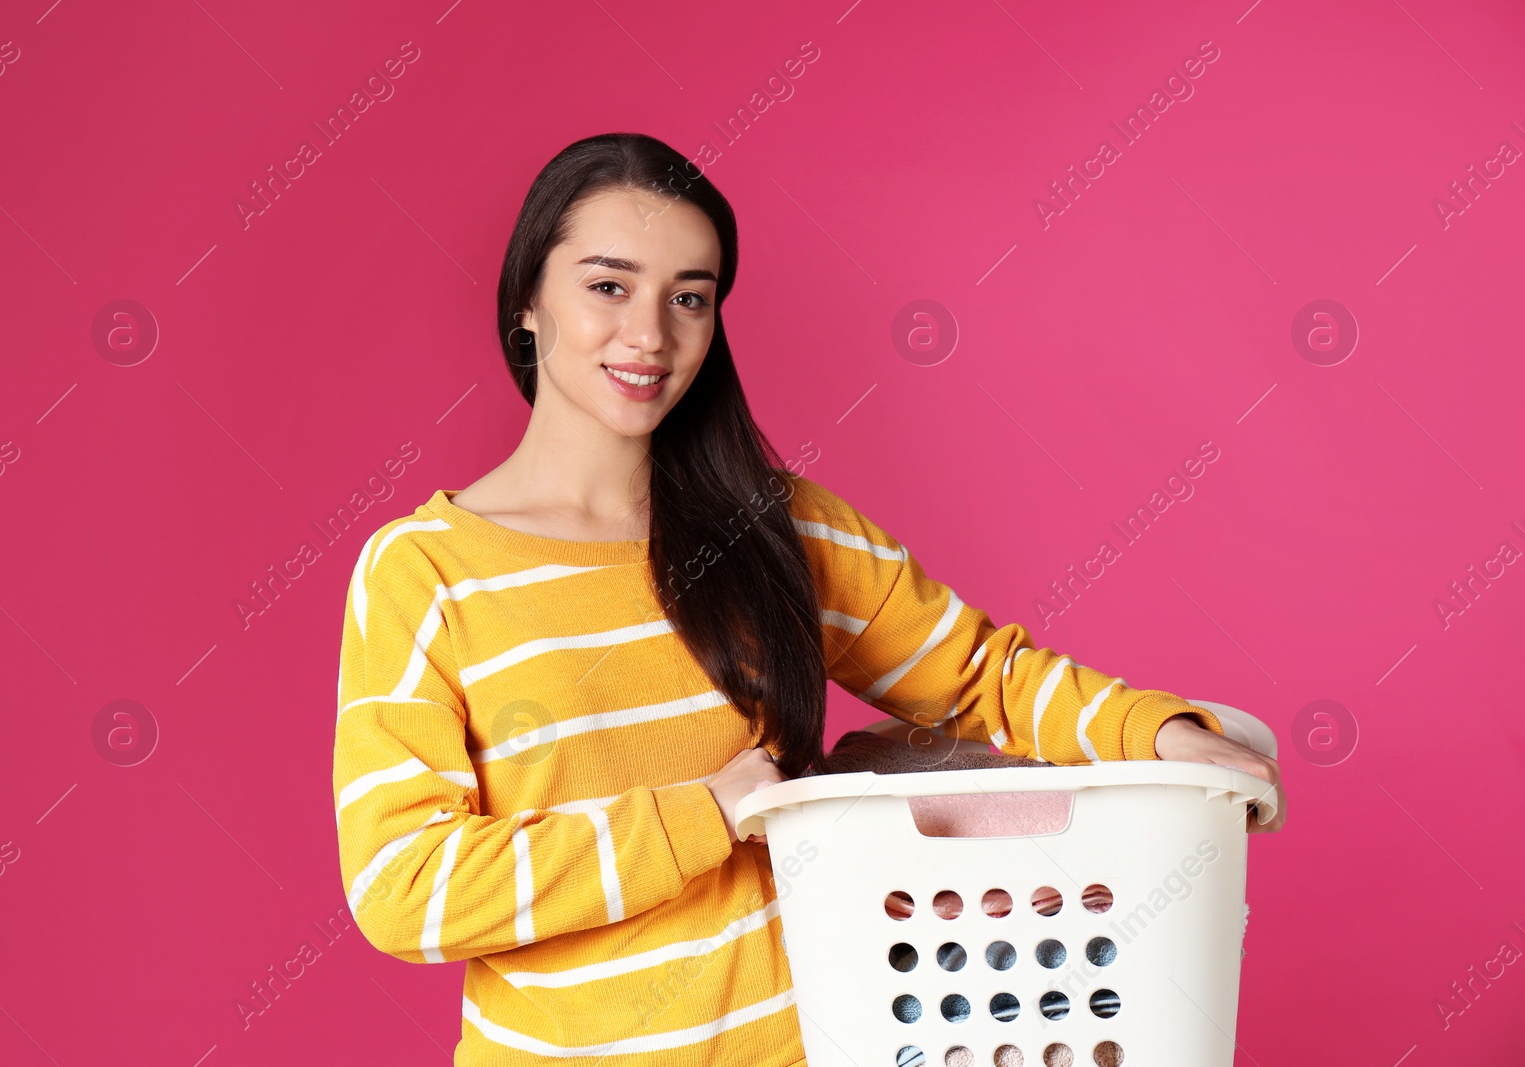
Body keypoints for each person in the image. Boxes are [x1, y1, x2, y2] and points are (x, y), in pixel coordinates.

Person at [331, 131, 1285, 1067]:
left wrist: (1163, 738)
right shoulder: (426, 572)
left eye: (690, 298)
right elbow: (404, 886)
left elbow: (982, 676)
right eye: (608, 285)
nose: (650, 334)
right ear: (528, 299)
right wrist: (705, 811)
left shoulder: (777, 530)